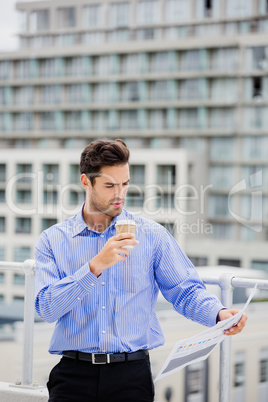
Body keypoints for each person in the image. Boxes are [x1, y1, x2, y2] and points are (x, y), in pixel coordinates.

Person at [35, 138, 247, 402]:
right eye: (110, 185)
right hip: (72, 376)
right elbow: (46, 308)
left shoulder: (152, 236)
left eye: (125, 184)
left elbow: (185, 290)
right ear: (85, 182)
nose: (120, 194)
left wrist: (219, 314)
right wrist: (94, 267)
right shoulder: (52, 240)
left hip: (131, 377)